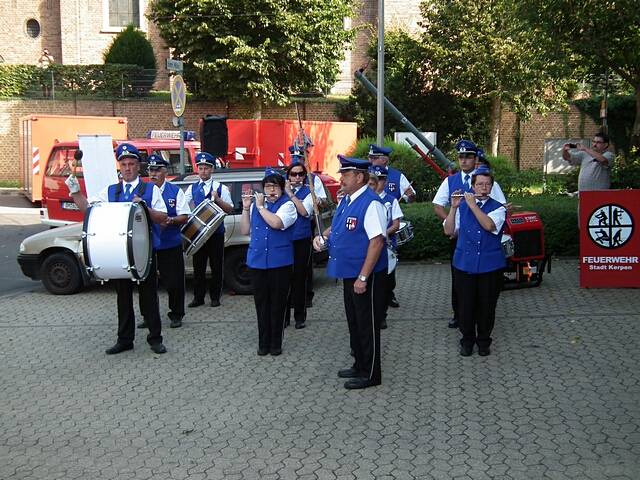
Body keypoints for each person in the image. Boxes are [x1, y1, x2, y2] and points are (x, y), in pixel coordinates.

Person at [64, 143, 168, 355]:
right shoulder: (111, 191)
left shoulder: (150, 189)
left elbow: (163, 218)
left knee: (149, 297)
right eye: (124, 164)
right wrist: (75, 192)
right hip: (119, 253)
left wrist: (145, 208)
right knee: (123, 298)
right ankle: (125, 339)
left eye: (131, 164)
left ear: (138, 166)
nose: (128, 168)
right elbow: (88, 211)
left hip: (145, 252)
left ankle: (155, 339)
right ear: (119, 166)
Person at [313, 155, 387, 390]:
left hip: (365, 276)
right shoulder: (347, 200)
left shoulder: (371, 203)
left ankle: (372, 373)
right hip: (348, 273)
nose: (341, 178)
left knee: (367, 324)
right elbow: (338, 228)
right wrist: (323, 238)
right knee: (354, 322)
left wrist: (363, 277)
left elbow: (376, 242)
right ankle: (359, 364)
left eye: (345, 174)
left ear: (359, 177)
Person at [433, 139, 506, 329]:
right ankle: (460, 315)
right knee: (459, 279)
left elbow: (501, 207)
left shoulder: (487, 181)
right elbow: (437, 204)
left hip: (485, 241)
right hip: (459, 239)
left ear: (476, 158)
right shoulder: (450, 180)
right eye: (461, 157)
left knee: (484, 286)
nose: (464, 161)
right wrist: (450, 224)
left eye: (468, 157)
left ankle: (480, 321)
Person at [443, 165, 506, 356]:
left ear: (492, 187)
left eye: (487, 184)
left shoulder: (498, 208)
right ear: (473, 186)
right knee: (466, 305)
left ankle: (484, 341)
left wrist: (471, 205)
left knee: (487, 306)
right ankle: (467, 340)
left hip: (490, 265)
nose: (483, 188)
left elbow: (488, 225)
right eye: (479, 184)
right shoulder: (461, 206)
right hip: (464, 263)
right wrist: (453, 209)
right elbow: (448, 231)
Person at [240, 168, 297, 356]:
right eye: (267, 187)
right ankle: (263, 343)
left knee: (278, 304)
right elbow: (244, 230)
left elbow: (277, 223)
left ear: (282, 188)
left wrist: (261, 207)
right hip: (257, 262)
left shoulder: (288, 205)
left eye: (275, 187)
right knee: (261, 304)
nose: (271, 190)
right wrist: (246, 208)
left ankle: (276, 343)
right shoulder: (257, 206)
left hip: (279, 263)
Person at [143, 154, 190, 328]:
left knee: (174, 282)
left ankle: (176, 314)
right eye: (150, 170)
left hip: (169, 244)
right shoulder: (143, 190)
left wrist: (170, 220)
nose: (153, 174)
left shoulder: (175, 191)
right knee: (146, 283)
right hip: (147, 245)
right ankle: (148, 316)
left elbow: (184, 216)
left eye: (157, 170)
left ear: (165, 172)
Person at [183, 152, 234, 307]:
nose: (203, 171)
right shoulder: (191, 188)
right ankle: (198, 297)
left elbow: (230, 209)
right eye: (201, 168)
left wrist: (217, 199)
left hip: (216, 233)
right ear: (197, 169)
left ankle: (215, 297)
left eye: (206, 168)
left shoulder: (221, 188)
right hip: (198, 234)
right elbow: (184, 207)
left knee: (216, 266)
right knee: (198, 267)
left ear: (212, 170)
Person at [368, 144, 414, 308]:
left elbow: (410, 196)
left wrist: (409, 196)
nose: (370, 160)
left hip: (388, 239)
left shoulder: (397, 175)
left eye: (374, 158)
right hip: (367, 238)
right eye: (370, 158)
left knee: (388, 269)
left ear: (384, 159)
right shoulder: (365, 173)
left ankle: (389, 295)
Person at [289, 144, 326, 308]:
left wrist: (318, 201)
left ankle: (307, 296)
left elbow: (322, 200)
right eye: (294, 158)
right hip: (287, 231)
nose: (298, 160)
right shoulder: (284, 181)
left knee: (305, 264)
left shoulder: (312, 178)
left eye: (301, 158)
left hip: (306, 223)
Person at [367, 164, 403, 329]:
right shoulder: (365, 200)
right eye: (375, 179)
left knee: (385, 284)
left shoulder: (390, 199)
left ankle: (381, 315)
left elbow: (396, 223)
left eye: (381, 179)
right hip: (367, 248)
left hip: (386, 247)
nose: (378, 182)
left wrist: (382, 233)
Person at [284, 159, 314, 329]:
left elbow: (304, 211)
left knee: (300, 279)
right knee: (285, 279)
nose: (297, 177)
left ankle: (300, 316)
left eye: (300, 174)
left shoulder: (308, 192)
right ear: (288, 176)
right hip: (285, 241)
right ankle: (285, 316)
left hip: (301, 240)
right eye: (293, 174)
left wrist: (291, 195)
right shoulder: (281, 191)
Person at [562, 132, 614, 202]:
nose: (595, 144)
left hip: (600, 195)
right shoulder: (584, 154)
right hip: (583, 195)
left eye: (598, 142)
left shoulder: (608, 155)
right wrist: (565, 150)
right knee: (583, 213)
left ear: (605, 144)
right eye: (594, 141)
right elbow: (567, 157)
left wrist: (585, 149)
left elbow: (603, 160)